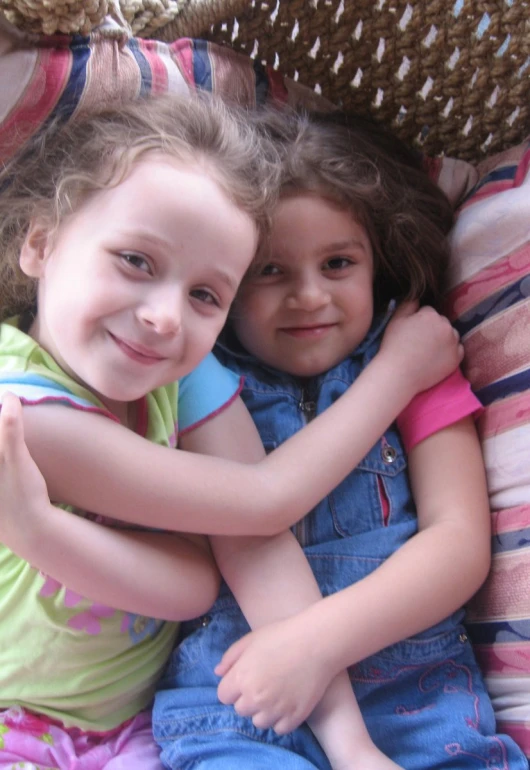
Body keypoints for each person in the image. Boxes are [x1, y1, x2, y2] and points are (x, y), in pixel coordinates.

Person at [0, 94, 463, 770]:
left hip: (127, 732)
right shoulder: (22, 413)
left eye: (205, 295)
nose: (164, 317)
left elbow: (243, 548)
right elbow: (264, 499)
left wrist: (351, 747)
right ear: (40, 242)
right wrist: (394, 375)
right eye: (136, 260)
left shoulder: (182, 374)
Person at [149, 109, 530, 770]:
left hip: (421, 704)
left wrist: (315, 643)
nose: (308, 296)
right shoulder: (200, 381)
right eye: (269, 271)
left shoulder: (416, 363)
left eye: (337, 263)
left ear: (375, 262)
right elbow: (238, 514)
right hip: (237, 705)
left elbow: (459, 543)